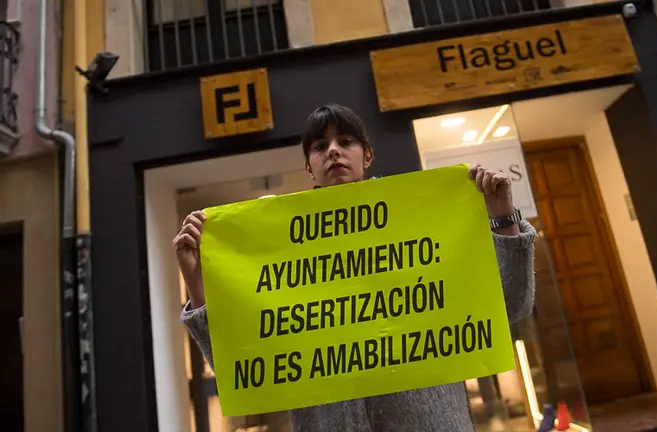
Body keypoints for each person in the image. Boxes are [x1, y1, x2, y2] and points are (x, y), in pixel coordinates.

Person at [175, 104, 537, 432]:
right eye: (319, 147)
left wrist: (504, 220)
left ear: (367, 156)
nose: (332, 150)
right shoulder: (275, 249)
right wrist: (195, 279)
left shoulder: (420, 221)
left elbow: (512, 305)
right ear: (309, 168)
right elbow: (240, 359)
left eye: (345, 141)